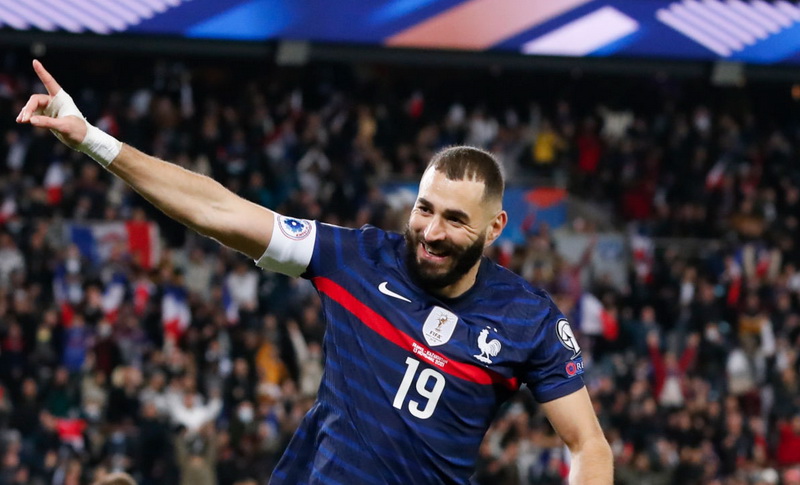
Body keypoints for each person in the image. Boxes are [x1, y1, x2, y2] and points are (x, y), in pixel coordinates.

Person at [17, 60, 613, 484]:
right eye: (424, 209)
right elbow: (219, 210)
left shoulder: (528, 319)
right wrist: (94, 141)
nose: (431, 231)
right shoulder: (356, 259)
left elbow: (588, 445)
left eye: (455, 220)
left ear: (495, 227)